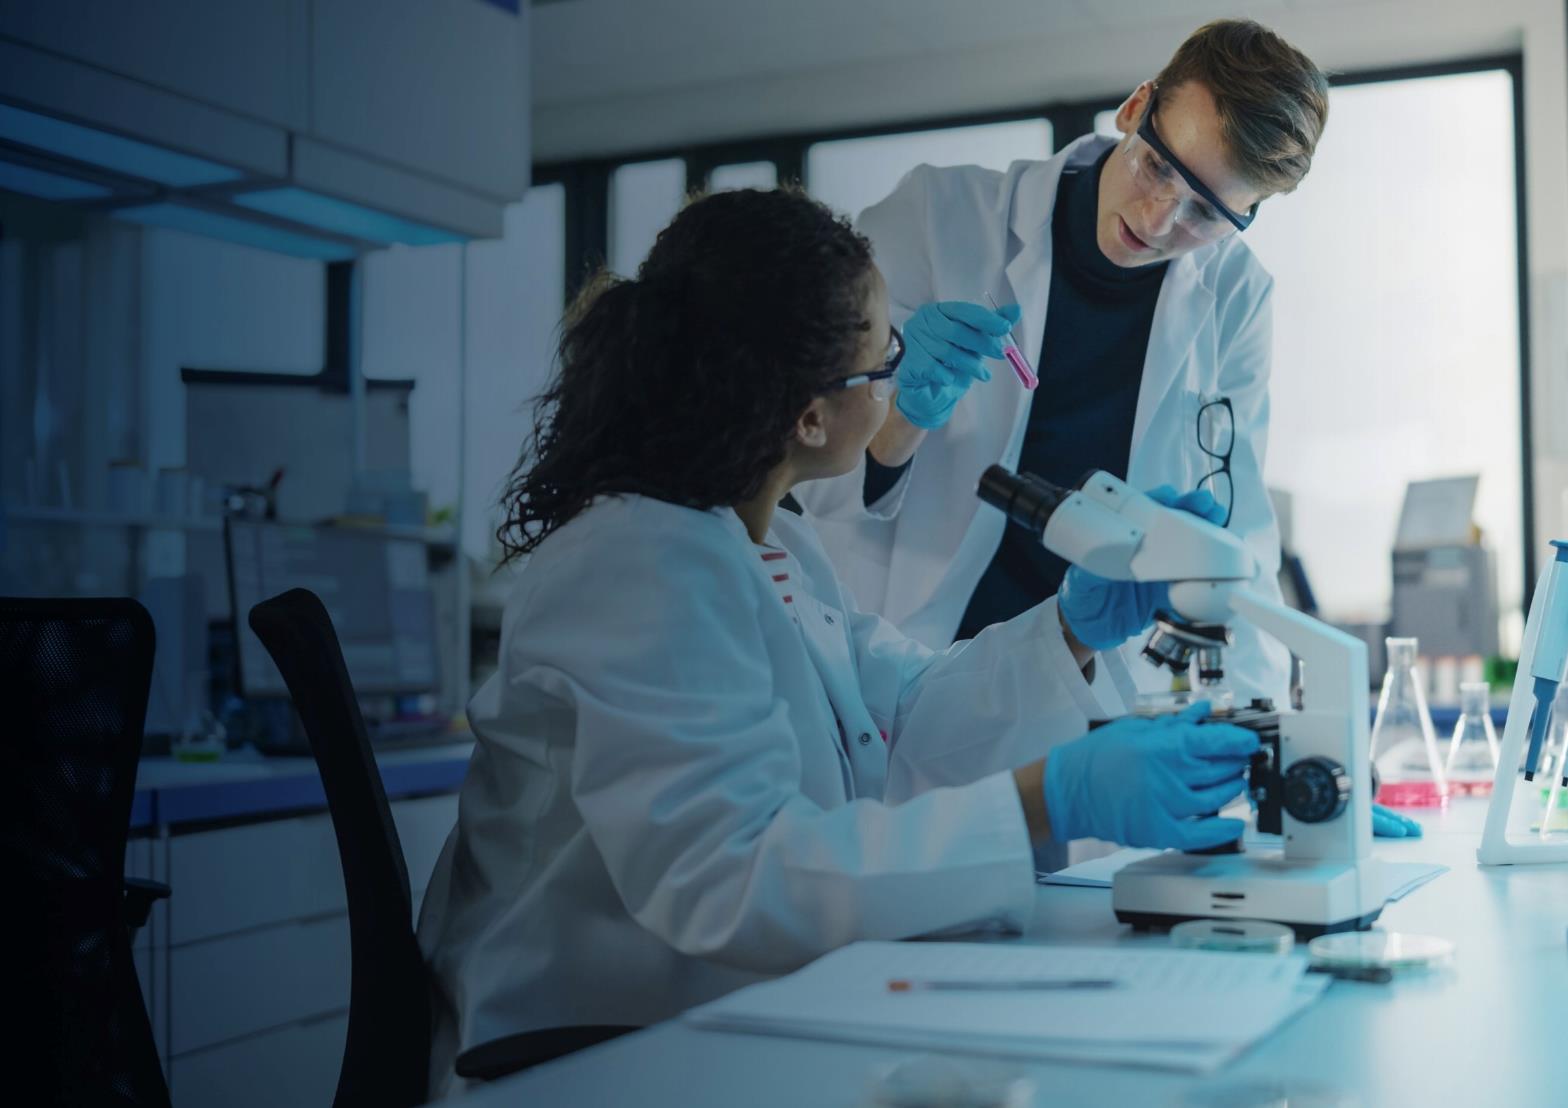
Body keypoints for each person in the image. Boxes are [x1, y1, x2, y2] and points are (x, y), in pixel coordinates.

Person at [415, 188, 1261, 1090]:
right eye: (882, 353)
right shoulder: (636, 563)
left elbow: (900, 712)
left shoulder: (768, 538)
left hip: (720, 1020)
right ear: (810, 417)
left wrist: (1068, 630)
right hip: (588, 1059)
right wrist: (1048, 801)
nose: (899, 367)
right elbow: (734, 881)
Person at [796, 19, 1319, 720]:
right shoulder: (938, 216)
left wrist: (1268, 734)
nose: (1162, 220)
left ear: (1249, 215)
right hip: (903, 655)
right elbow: (816, 471)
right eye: (1159, 166)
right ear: (1136, 108)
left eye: (1209, 211)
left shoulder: (1236, 298)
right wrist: (904, 418)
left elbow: (1240, 534)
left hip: (1084, 677)